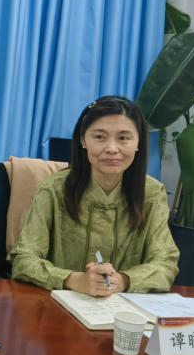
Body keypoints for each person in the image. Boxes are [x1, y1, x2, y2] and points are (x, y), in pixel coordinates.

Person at [11, 95, 179, 295]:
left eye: (123, 138)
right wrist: (73, 280)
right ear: (83, 140)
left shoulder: (151, 193)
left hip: (124, 307)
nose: (112, 149)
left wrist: (124, 280)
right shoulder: (54, 189)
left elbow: (166, 262)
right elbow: (23, 258)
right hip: (58, 304)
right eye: (99, 137)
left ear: (138, 142)